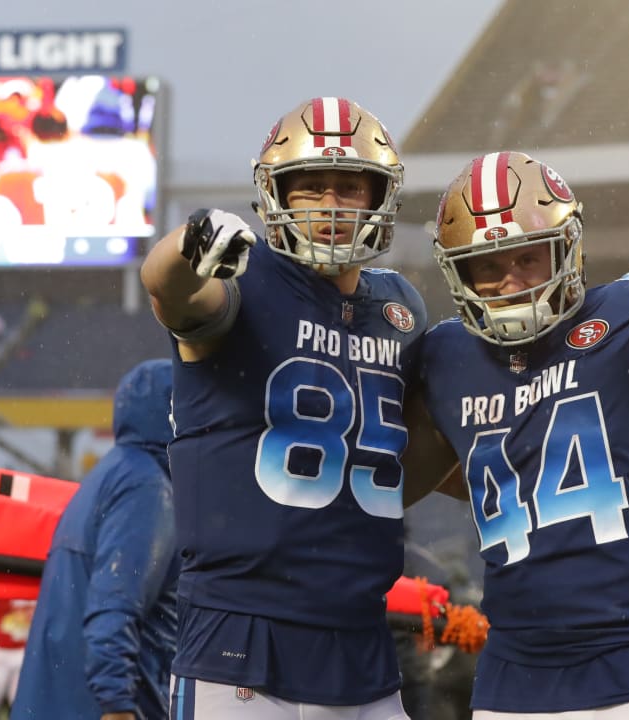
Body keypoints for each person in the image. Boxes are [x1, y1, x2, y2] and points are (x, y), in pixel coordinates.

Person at [403, 151, 629, 718]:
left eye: (529, 257)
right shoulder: (448, 356)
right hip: (513, 673)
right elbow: (394, 477)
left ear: (568, 247)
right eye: (489, 265)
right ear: (457, 273)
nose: (511, 279)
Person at [139, 97, 425, 718]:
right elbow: (171, 290)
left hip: (362, 642)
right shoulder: (243, 279)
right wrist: (190, 244)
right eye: (311, 186)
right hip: (242, 634)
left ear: (381, 198)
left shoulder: (400, 310)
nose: (330, 205)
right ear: (276, 195)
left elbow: (417, 455)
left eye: (351, 187)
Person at [13, 358, 180, 720]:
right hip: (95, 707)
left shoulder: (106, 476)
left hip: (54, 700)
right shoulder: (146, 487)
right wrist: (117, 704)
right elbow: (114, 606)